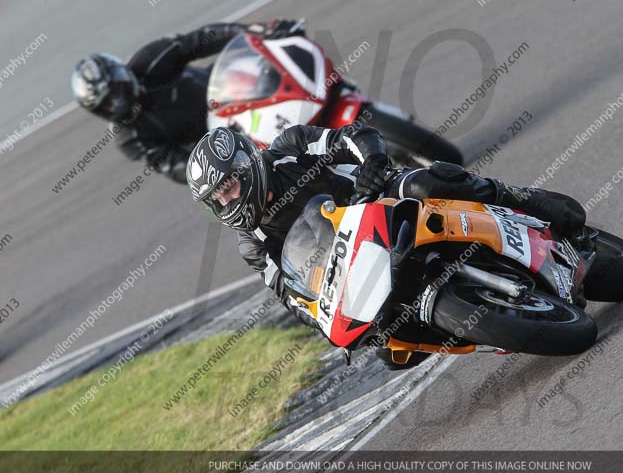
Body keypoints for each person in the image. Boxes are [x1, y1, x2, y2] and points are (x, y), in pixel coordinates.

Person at [186, 124, 586, 330]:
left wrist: (373, 164)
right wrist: (323, 320)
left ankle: (519, 198)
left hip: (379, 197)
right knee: (387, 346)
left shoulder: (289, 148)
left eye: (228, 186)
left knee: (429, 182)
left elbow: (354, 136)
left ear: (245, 165)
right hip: (351, 258)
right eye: (217, 199)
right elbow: (291, 296)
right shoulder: (251, 243)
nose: (228, 200)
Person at [70, 19, 305, 183]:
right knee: (268, 188)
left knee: (279, 51)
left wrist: (255, 32)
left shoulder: (150, 60)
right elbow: (173, 165)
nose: (118, 102)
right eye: (108, 104)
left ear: (122, 74)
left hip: (230, 88)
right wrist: (216, 169)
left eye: (117, 91)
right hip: (226, 141)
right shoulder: (130, 138)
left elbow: (199, 40)